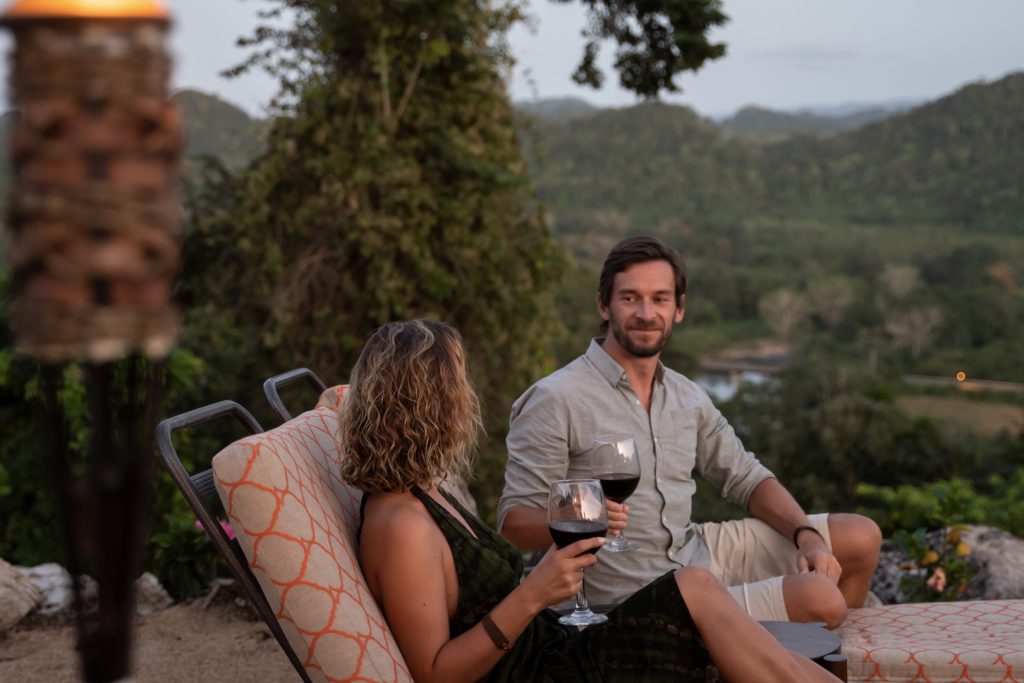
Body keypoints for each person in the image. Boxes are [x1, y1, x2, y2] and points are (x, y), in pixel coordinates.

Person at [339, 319, 841, 683]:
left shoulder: (418, 489)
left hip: (551, 641)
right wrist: (534, 593)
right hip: (543, 670)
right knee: (694, 590)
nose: (467, 399)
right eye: (457, 386)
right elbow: (436, 674)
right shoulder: (400, 524)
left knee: (696, 586)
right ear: (428, 408)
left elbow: (339, 402)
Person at [498, 235, 882, 627]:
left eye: (660, 299)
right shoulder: (557, 397)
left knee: (859, 538)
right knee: (821, 600)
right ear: (604, 305)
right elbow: (512, 525)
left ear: (678, 309)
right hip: (627, 599)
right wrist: (583, 516)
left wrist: (806, 535)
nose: (646, 313)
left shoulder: (687, 396)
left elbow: (746, 478)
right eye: (630, 298)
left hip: (692, 552)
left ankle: (825, 657)